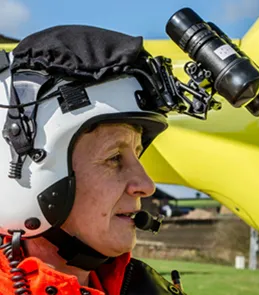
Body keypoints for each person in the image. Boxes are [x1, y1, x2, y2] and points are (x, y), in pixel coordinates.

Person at [0, 25, 187, 294]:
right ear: (37, 175)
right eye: (114, 158)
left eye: (136, 154)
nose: (146, 185)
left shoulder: (140, 286)